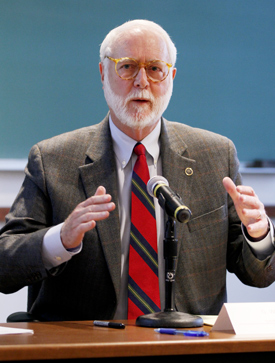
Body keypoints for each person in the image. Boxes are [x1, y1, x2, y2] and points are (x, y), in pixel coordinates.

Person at [0, 20, 274, 321]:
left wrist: (258, 233)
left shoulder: (216, 155)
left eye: (155, 69)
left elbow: (259, 276)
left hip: (188, 351)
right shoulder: (52, 159)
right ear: (104, 74)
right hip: (85, 352)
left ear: (171, 77)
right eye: (127, 66)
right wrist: (61, 239)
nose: (142, 81)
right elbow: (5, 263)